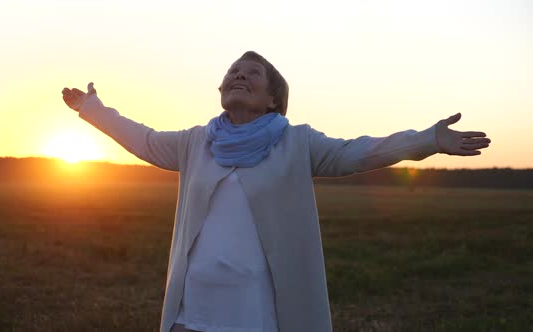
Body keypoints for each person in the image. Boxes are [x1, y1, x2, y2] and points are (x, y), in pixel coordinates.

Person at [62, 51, 490, 332]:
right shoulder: (197, 142)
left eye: (252, 74)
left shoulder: (296, 143)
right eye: (233, 71)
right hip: (191, 315)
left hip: (258, 317)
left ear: (272, 100)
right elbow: (147, 140)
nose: (239, 76)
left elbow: (358, 152)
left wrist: (427, 140)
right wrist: (94, 110)